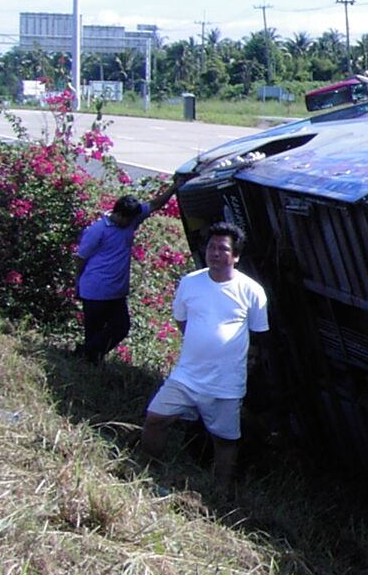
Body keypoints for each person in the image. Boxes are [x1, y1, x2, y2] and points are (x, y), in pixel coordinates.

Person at [142, 221, 269, 485]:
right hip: (187, 375)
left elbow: (258, 335)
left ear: (235, 256)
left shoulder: (252, 291)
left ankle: (218, 492)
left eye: (223, 249)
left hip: (225, 383)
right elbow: (181, 320)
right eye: (211, 247)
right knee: (156, 419)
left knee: (224, 439)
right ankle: (147, 472)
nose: (215, 253)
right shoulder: (190, 282)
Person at [72, 182, 176, 362]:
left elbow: (154, 204)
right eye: (127, 219)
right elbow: (81, 257)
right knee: (94, 333)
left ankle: (83, 354)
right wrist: (78, 282)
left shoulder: (131, 220)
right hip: (95, 289)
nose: (129, 223)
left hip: (116, 292)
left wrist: (175, 187)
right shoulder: (97, 230)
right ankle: (87, 362)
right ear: (118, 214)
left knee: (121, 327)